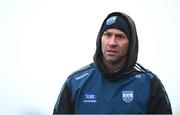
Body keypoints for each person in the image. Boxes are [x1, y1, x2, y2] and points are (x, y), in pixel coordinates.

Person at [53, 12, 172, 114]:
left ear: (131, 44)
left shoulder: (149, 84)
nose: (112, 42)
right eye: (108, 35)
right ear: (100, 39)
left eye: (120, 37)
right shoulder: (75, 83)